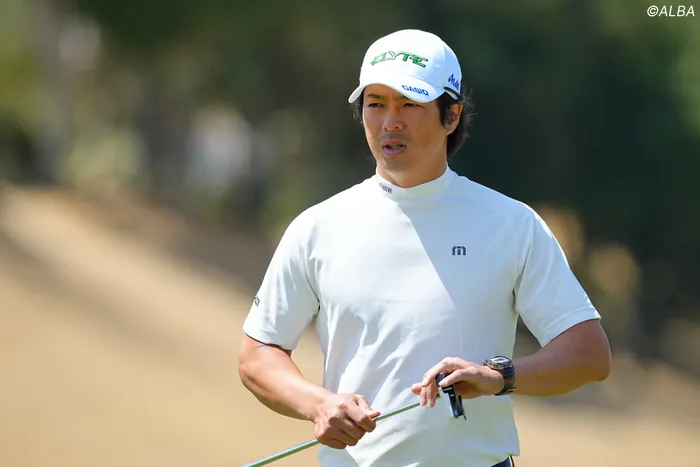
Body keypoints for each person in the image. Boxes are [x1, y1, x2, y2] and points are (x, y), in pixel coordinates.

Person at [238, 29, 611, 467]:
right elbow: (257, 355)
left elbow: (589, 354)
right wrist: (318, 404)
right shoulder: (317, 227)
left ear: (451, 116)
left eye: (410, 104)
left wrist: (498, 376)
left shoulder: (512, 225)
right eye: (375, 103)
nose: (389, 121)